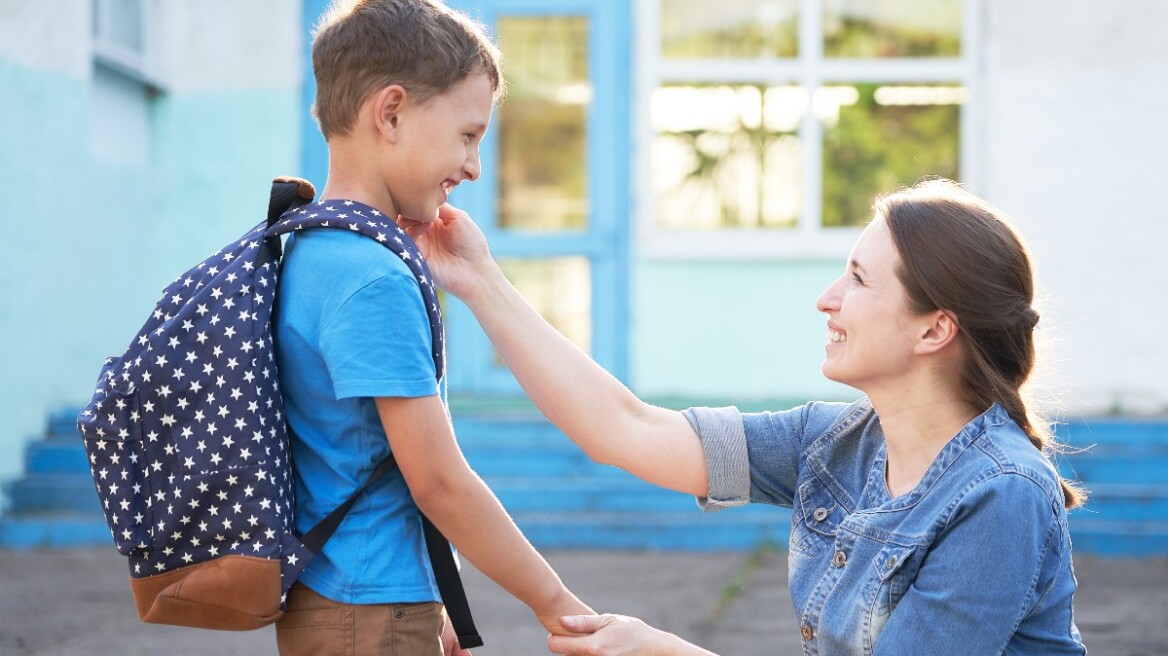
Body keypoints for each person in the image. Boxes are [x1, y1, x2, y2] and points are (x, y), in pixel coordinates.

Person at [403, 178, 1088, 655]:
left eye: (857, 278)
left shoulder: (1000, 497)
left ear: (934, 331)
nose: (827, 299)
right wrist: (478, 281)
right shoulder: (835, 443)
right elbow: (624, 429)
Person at [272, 1, 591, 654]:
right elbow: (439, 482)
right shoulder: (372, 278)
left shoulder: (309, 246)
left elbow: (356, 459)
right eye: (468, 136)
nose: (474, 166)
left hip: (342, 596)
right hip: (365, 609)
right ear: (390, 114)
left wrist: (428, 596)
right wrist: (558, 606)